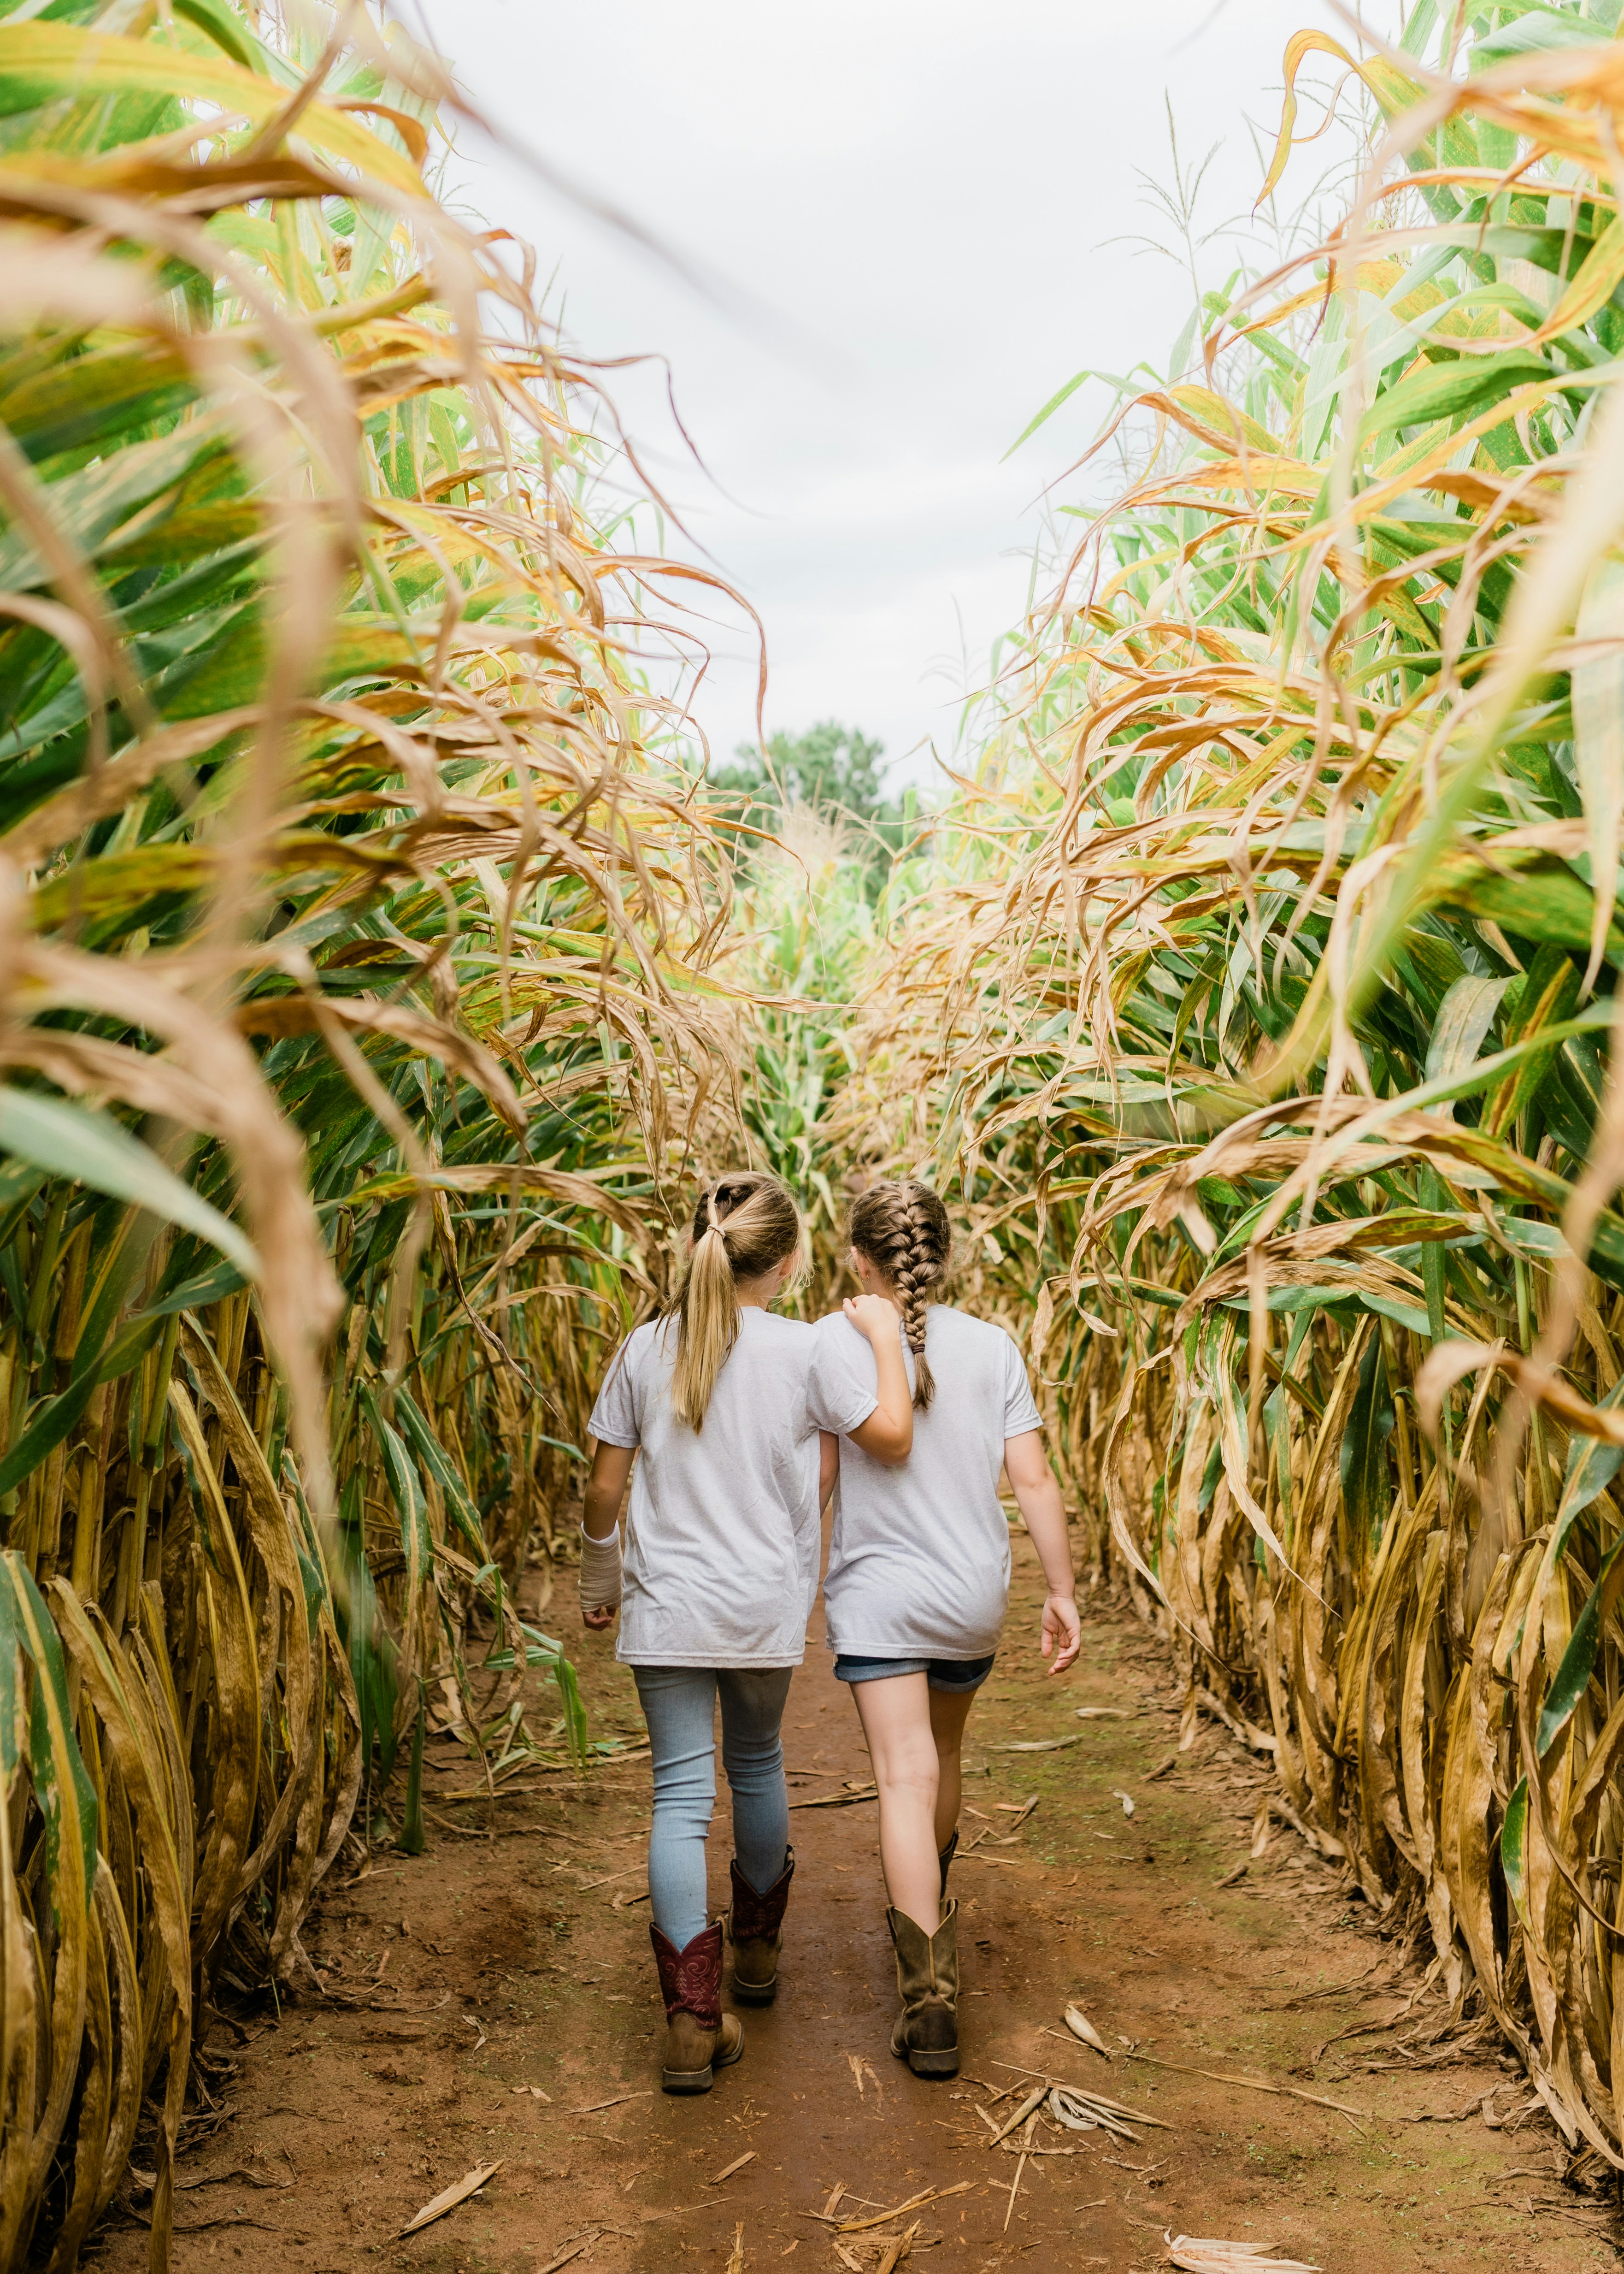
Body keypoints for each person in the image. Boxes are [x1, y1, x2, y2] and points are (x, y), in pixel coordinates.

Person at [578, 1171, 912, 2093]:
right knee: (758, 1765)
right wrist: (883, 1333)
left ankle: (690, 2021)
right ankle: (755, 1963)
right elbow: (888, 1435)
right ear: (791, 1261)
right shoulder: (804, 1352)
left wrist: (598, 1576)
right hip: (760, 1603)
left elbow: (604, 1488)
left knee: (680, 1796)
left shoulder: (646, 1349)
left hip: (668, 1609)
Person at [812, 1178, 1081, 2079]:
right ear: (944, 1254)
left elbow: (807, 1475)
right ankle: (927, 1895)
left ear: (859, 1259)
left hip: (881, 1594)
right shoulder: (992, 1346)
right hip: (971, 1593)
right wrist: (1061, 1590)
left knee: (902, 1776)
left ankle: (929, 2000)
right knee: (946, 1760)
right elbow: (1034, 1482)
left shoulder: (832, 1340)